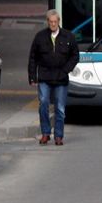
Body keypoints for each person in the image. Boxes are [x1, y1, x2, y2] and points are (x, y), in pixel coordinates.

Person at [28, 10, 79, 146]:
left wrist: (66, 70)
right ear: (47, 22)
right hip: (44, 77)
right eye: (50, 22)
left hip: (61, 78)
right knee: (43, 103)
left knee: (60, 108)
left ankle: (58, 135)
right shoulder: (40, 37)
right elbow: (33, 57)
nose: (53, 24)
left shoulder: (68, 37)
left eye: (55, 22)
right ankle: (45, 133)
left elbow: (75, 56)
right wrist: (32, 77)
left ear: (59, 21)